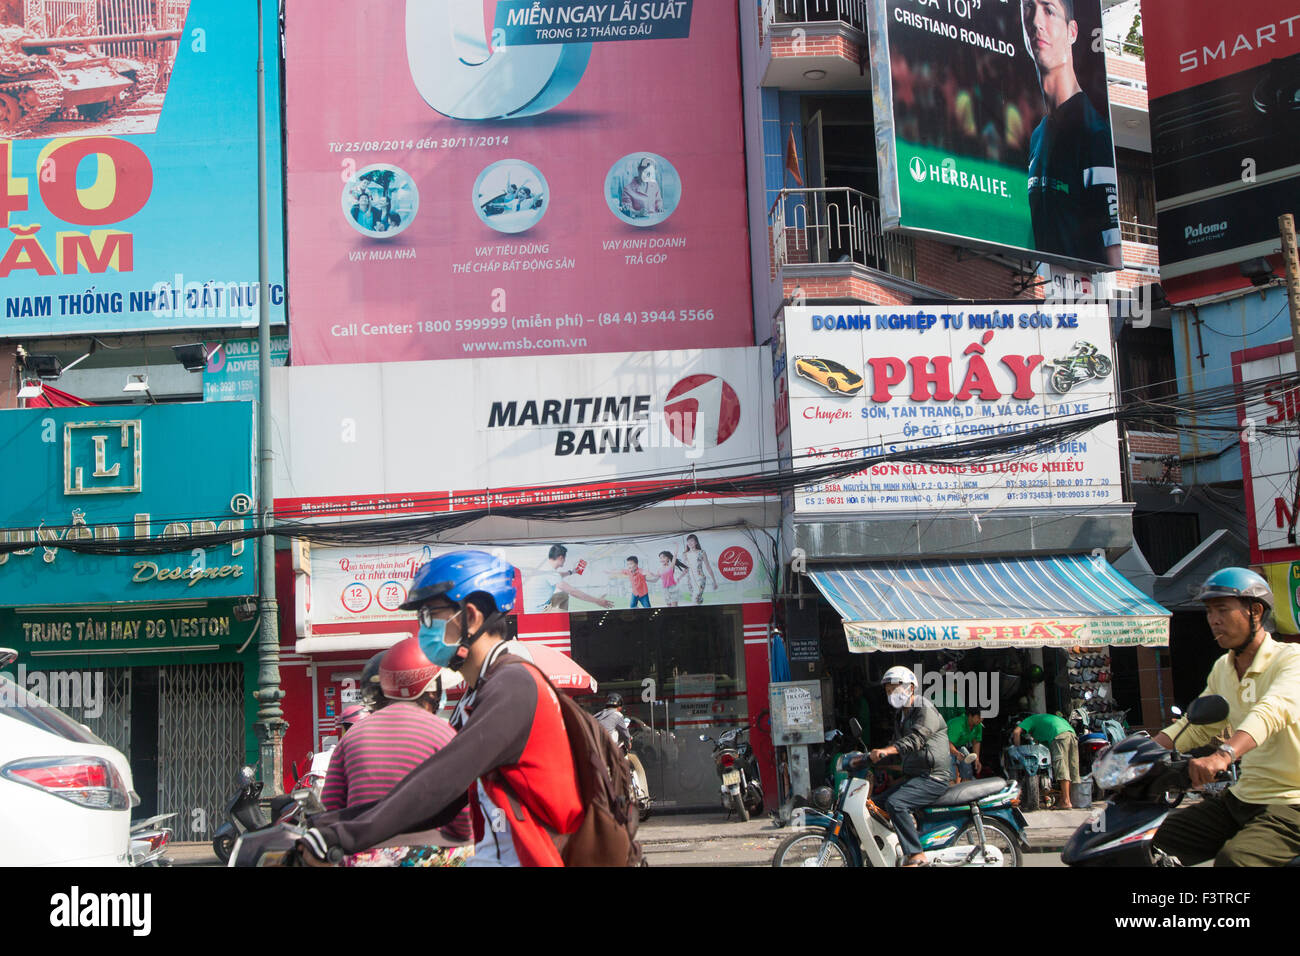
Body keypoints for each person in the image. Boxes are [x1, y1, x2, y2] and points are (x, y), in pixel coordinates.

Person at [299, 550, 584, 867]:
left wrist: (340, 836)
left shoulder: (513, 686)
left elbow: (440, 784)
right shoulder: (479, 693)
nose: (423, 629)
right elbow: (435, 797)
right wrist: (326, 826)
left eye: (429, 615)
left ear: (471, 616)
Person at [1150, 568, 1300, 867]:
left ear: (1255, 611)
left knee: (1235, 862)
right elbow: (1193, 726)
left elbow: (1270, 712)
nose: (1213, 620)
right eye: (1208, 611)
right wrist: (1137, 757)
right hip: (1242, 798)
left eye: (1222, 610)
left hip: (1291, 804)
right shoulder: (1224, 668)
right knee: (1147, 841)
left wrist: (1224, 755)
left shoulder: (1290, 660)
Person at [320, 637, 473, 866]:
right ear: (429, 692)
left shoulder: (352, 735)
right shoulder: (444, 733)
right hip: (428, 854)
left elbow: (331, 807)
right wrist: (464, 837)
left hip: (365, 854)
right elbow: (464, 811)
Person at [1021, 0, 1121, 267]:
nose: (1036, 23)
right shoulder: (1038, 136)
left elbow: (1112, 249)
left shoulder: (1093, 131)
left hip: (1088, 302)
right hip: (1050, 300)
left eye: (1049, 10)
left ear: (1072, 31)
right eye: (1028, 8)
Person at [855, 665, 952, 866]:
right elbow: (895, 747)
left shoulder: (924, 708)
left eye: (896, 689)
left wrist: (886, 751)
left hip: (934, 776)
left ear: (911, 687)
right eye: (889, 691)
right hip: (917, 777)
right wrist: (866, 759)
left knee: (896, 803)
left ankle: (916, 855)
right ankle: (891, 848)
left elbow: (915, 740)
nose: (892, 694)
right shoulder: (901, 716)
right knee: (876, 804)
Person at [1013, 710, 1080, 809]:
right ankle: (1071, 800)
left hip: (1058, 735)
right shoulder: (1043, 722)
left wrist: (1017, 750)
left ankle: (1066, 801)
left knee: (1061, 768)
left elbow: (1016, 732)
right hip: (1071, 734)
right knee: (1072, 768)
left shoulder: (1029, 720)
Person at [523, 543, 614, 613]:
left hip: (531, 610)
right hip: (539, 612)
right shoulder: (551, 573)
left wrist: (572, 572)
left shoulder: (545, 568)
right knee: (563, 595)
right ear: (561, 558)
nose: (565, 560)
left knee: (560, 596)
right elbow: (572, 591)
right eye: (565, 558)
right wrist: (597, 601)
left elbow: (558, 575)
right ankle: (560, 621)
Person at [594, 692, 649, 795]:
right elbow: (625, 734)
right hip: (608, 751)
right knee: (625, 768)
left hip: (595, 751)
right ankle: (631, 794)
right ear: (619, 706)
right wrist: (628, 744)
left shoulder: (597, 715)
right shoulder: (618, 715)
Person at [946, 706, 983, 782]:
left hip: (959, 747)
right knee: (950, 774)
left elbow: (976, 742)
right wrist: (956, 753)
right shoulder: (957, 724)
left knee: (967, 768)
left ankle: (966, 786)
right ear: (970, 716)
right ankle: (951, 785)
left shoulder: (978, 725)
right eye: (978, 717)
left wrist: (977, 759)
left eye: (982, 718)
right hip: (944, 747)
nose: (980, 720)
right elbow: (947, 743)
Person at [680, 534, 718, 606]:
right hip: (690, 581)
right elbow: (685, 569)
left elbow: (708, 567)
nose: (689, 543)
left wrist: (714, 581)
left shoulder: (702, 552)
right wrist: (679, 578)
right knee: (695, 600)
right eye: (688, 541)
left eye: (692, 541)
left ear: (696, 542)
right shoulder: (685, 554)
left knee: (695, 598)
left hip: (700, 579)